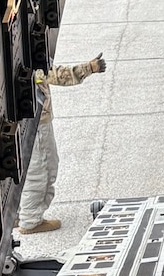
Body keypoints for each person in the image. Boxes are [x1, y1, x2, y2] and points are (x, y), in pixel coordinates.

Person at [17, 52, 106, 235]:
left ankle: (25, 214)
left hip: (33, 122)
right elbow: (56, 75)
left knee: (39, 168)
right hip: (37, 124)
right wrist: (89, 68)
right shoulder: (23, 60)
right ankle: (30, 221)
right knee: (42, 170)